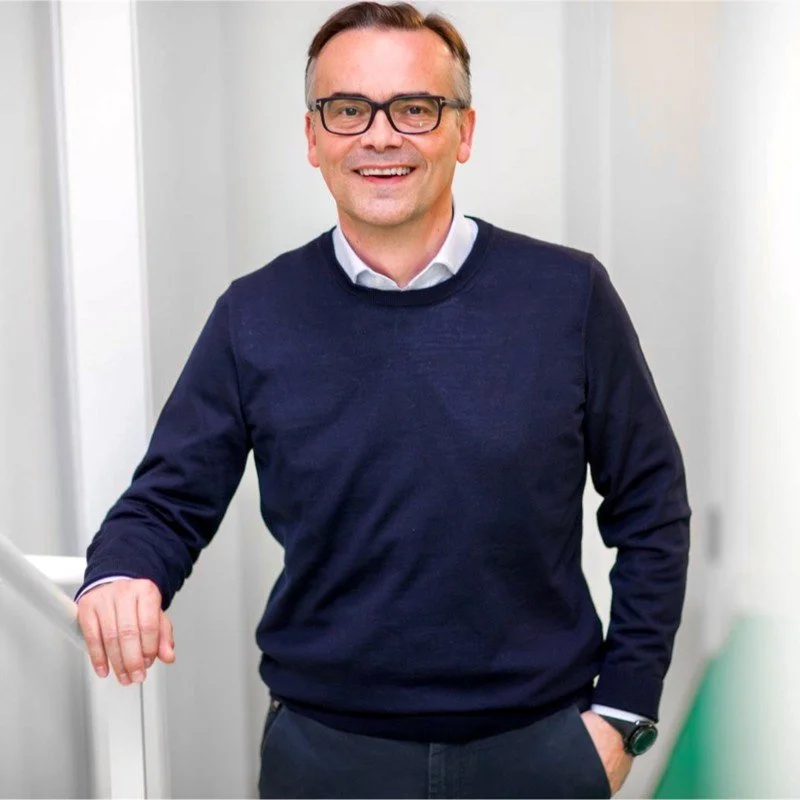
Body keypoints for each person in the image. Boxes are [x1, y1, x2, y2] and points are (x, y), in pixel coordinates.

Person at [75, 2, 691, 798]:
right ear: (313, 138)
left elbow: (650, 503)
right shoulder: (254, 314)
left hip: (539, 752)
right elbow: (167, 500)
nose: (379, 136)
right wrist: (120, 574)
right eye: (347, 109)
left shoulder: (568, 297)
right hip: (327, 759)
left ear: (463, 132)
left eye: (415, 108)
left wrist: (624, 710)